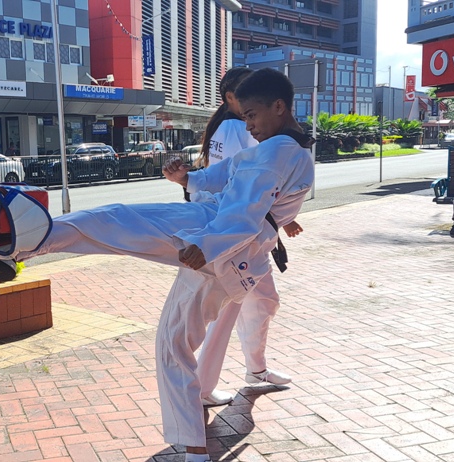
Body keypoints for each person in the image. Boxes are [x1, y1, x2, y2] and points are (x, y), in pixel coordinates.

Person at [18, 68, 314, 461]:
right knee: (112, 222)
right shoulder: (281, 148)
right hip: (217, 239)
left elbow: (245, 214)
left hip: (221, 249)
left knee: (118, 235)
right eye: (244, 116)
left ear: (279, 107)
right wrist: (189, 178)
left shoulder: (278, 152)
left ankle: (18, 243)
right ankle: (21, 245)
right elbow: (227, 174)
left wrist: (205, 246)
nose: (249, 124)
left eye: (253, 115)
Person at [190, 67, 294, 410]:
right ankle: (204, 388)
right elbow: (248, 182)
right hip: (237, 234)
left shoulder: (224, 126)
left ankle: (256, 369)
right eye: (245, 105)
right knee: (230, 308)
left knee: (261, 301)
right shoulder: (238, 127)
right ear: (232, 99)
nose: (252, 121)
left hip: (243, 231)